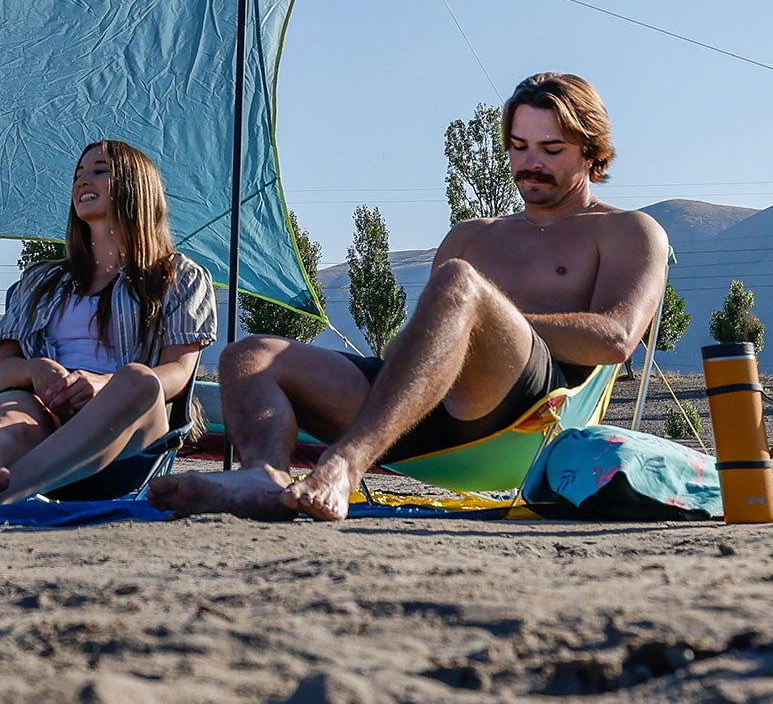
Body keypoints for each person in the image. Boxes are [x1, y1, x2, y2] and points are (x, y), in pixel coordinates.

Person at [153, 71, 668, 523]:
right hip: (420, 416)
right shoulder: (472, 233)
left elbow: (618, 338)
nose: (529, 163)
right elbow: (420, 342)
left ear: (592, 150)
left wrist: (478, 321)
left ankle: (343, 467)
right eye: (518, 146)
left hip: (522, 420)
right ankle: (262, 478)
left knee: (459, 286)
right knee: (251, 354)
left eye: (551, 150)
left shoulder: (626, 230)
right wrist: (442, 331)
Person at [0, 139, 215, 508]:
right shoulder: (41, 280)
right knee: (7, 409)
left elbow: (178, 373)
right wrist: (37, 371)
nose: (83, 181)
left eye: (100, 171)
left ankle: (6, 490)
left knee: (139, 380)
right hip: (44, 411)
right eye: (79, 174)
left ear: (138, 186)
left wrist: (104, 383)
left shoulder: (179, 276)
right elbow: (4, 371)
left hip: (127, 431)